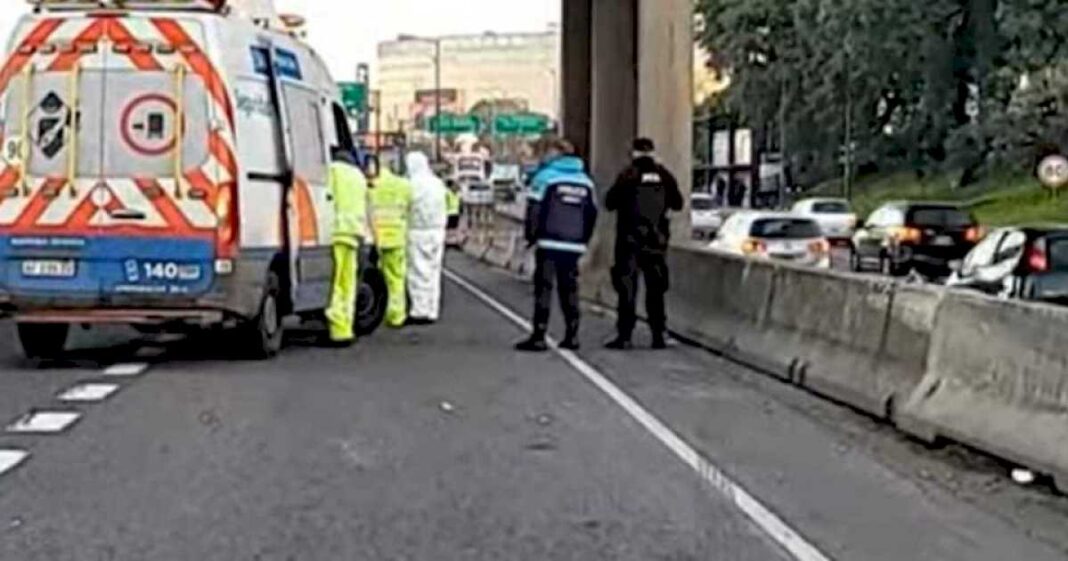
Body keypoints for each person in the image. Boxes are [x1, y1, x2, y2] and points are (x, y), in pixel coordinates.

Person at [514, 138, 598, 352]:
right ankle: (572, 335)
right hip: (574, 244)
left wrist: (530, 237)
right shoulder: (586, 182)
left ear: (557, 154)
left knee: (544, 288)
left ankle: (539, 335)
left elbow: (534, 210)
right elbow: (591, 214)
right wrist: (583, 240)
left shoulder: (545, 178)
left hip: (549, 241)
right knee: (569, 290)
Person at [604, 137, 684, 350]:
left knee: (627, 289)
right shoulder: (664, 175)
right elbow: (678, 204)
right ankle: (658, 334)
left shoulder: (628, 174)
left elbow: (609, 202)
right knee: (656, 290)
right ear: (652, 152)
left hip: (629, 241)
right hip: (656, 242)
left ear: (634, 153)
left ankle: (625, 336)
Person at [324, 147, 370, 345]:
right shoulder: (359, 176)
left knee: (333, 284)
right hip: (354, 234)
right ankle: (344, 329)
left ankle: (335, 326)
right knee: (347, 284)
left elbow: (325, 197)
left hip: (334, 233)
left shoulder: (331, 171)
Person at [405, 151, 448, 325]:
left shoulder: (411, 185)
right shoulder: (437, 183)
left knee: (418, 271)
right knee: (434, 271)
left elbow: (408, 206)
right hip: (438, 231)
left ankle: (419, 310)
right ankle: (432, 309)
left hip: (418, 231)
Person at [369, 160, 413, 328]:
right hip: (397, 236)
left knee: (380, 277)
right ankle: (396, 315)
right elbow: (410, 207)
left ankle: (381, 309)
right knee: (396, 278)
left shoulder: (372, 186)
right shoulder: (403, 185)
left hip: (378, 237)